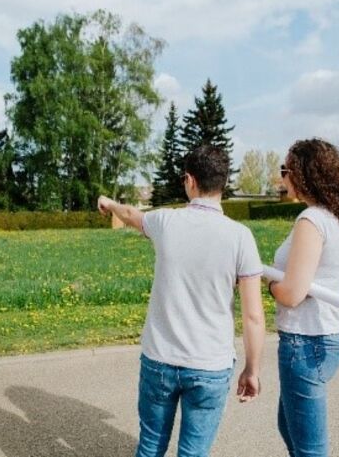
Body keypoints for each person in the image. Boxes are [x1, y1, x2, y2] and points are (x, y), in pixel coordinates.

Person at [97, 145, 266, 457]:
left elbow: (133, 215)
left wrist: (109, 203)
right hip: (210, 365)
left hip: (160, 359)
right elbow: (253, 316)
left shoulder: (165, 222)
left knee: (150, 447)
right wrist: (252, 369)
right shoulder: (241, 237)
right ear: (224, 183)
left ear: (189, 180)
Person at [267, 138, 339, 457]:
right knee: (288, 426)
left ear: (302, 174)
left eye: (284, 170)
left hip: (305, 341)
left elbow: (291, 294)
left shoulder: (311, 220)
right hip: (329, 338)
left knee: (311, 449)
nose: (281, 178)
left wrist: (269, 283)